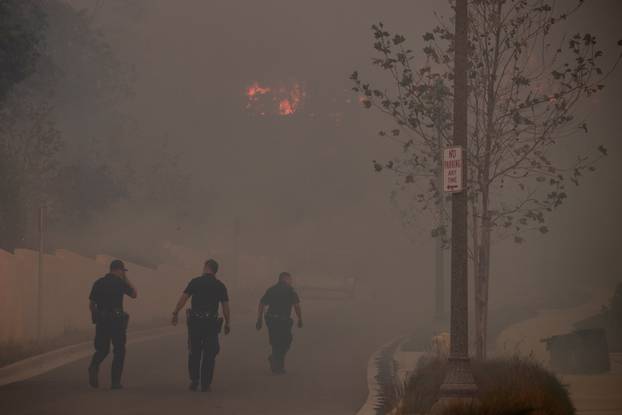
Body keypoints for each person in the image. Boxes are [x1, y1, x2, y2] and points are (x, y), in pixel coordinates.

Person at [171, 259, 230, 392]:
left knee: (194, 352)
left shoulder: (195, 282)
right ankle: (206, 383)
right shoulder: (220, 285)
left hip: (196, 323)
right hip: (211, 324)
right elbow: (225, 306)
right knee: (210, 353)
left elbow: (184, 298)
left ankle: (194, 380)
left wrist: (175, 312)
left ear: (205, 267)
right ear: (215, 270)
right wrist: (228, 322)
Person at [88, 259, 138, 390]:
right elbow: (134, 294)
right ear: (119, 270)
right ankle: (115, 382)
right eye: (123, 271)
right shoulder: (120, 283)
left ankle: (94, 366)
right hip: (116, 321)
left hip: (102, 320)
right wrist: (126, 278)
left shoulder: (98, 282)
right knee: (119, 350)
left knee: (102, 349)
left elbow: (91, 304)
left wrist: (96, 317)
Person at [256, 272, 303, 374]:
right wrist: (300, 319)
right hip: (283, 321)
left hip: (271, 320)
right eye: (290, 279)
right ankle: (278, 365)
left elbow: (262, 303)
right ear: (285, 279)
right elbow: (296, 306)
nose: (291, 281)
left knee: (276, 343)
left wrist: (259, 319)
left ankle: (275, 363)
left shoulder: (271, 289)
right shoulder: (291, 290)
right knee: (285, 342)